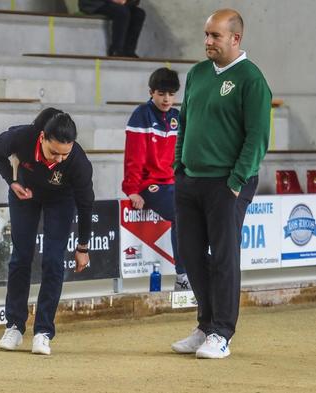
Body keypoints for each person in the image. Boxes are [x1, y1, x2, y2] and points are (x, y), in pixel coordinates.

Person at [171, 9, 271, 359]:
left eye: (214, 35)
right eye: (206, 34)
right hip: (189, 181)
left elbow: (258, 137)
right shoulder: (198, 73)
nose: (207, 41)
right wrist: (178, 168)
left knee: (224, 258)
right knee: (190, 254)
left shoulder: (251, 79)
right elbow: (184, 123)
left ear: (235, 38)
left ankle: (222, 333)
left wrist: (236, 181)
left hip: (228, 184)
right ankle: (205, 325)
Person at [0, 108, 94, 355]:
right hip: (25, 194)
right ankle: (14, 326)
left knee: (53, 261)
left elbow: (86, 204)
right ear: (42, 138)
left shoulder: (77, 162)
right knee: (21, 257)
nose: (58, 159)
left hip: (61, 201)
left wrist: (83, 247)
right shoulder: (22, 136)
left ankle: (43, 331)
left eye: (64, 154)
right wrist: (11, 181)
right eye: (53, 152)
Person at [122, 67, 190, 291]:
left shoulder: (176, 117)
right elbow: (134, 157)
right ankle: (183, 276)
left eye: (171, 94)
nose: (166, 99)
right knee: (182, 214)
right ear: (151, 92)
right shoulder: (141, 115)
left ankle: (194, 273)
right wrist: (132, 189)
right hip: (149, 185)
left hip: (173, 183)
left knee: (196, 212)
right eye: (161, 93)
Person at [78, 0, 146, 57]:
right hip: (95, 3)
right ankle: (116, 50)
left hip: (115, 4)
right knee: (122, 12)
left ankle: (129, 51)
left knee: (139, 14)